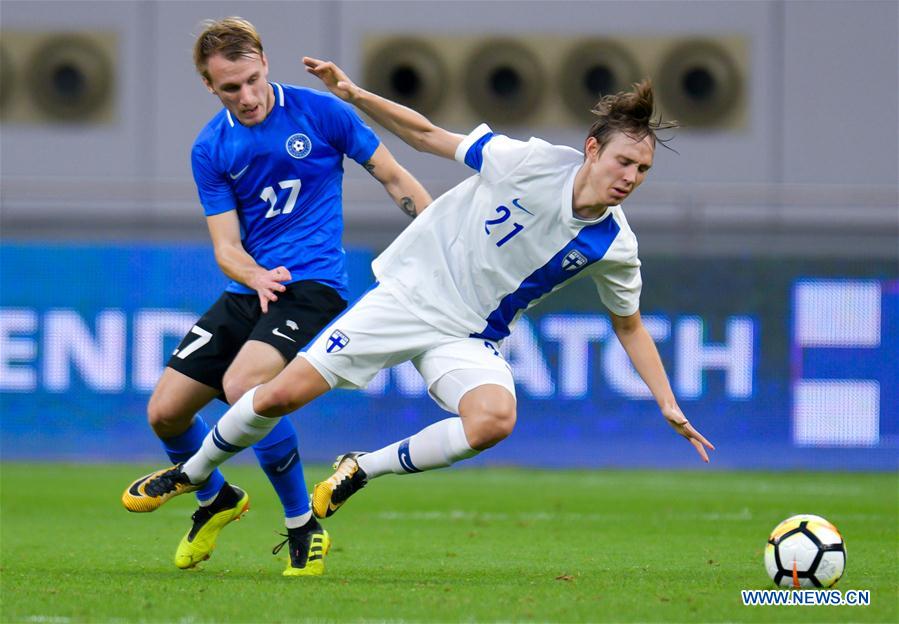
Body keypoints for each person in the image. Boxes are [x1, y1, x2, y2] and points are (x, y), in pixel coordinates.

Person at [122, 57, 715, 540]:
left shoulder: (615, 245)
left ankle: (360, 468)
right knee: (276, 395)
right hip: (408, 297)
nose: (631, 177)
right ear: (591, 149)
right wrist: (356, 95)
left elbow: (630, 326)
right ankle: (191, 472)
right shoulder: (530, 161)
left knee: (492, 421)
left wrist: (666, 402)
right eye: (624, 161)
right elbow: (430, 136)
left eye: (642, 169)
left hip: (469, 334)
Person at [123, 22, 431, 577]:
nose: (247, 97)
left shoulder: (320, 112)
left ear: (265, 62)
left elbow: (392, 175)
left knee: (245, 387)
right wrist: (255, 276)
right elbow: (225, 246)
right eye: (229, 89)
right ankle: (215, 499)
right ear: (208, 85)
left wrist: (437, 236)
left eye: (251, 80)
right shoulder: (211, 147)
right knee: (164, 413)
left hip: (313, 285)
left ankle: (302, 525)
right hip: (251, 288)